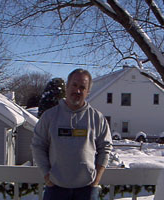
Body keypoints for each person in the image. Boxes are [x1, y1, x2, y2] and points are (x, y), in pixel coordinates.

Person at [31, 68, 113, 200]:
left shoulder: (97, 118)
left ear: (88, 92)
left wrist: (97, 179)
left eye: (82, 87)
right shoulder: (49, 116)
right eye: (74, 85)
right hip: (56, 189)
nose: (78, 90)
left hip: (87, 190)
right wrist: (46, 175)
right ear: (67, 86)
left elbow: (105, 148)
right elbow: (38, 146)